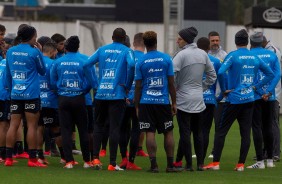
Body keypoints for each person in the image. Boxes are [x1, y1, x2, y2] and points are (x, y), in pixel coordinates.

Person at [204, 29, 274, 171]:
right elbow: (270, 74)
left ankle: (215, 163)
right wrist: (256, 87)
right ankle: (240, 164)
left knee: (221, 131)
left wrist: (224, 90)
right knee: (245, 133)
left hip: (234, 99)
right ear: (247, 42)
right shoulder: (254, 57)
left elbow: (221, 72)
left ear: (236, 42)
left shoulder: (233, 55)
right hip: (249, 99)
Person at [84, 28, 135, 171]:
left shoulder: (101, 49)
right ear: (124, 38)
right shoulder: (127, 51)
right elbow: (131, 65)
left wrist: (95, 84)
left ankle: (95, 159)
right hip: (117, 94)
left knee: (98, 126)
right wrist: (128, 85)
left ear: (112, 37)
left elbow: (86, 64)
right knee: (114, 128)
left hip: (101, 94)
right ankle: (112, 163)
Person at [134, 31, 180, 173]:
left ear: (145, 43)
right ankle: (170, 165)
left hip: (146, 102)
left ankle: (154, 166)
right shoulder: (166, 59)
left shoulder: (140, 61)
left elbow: (138, 86)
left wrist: (137, 105)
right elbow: (171, 83)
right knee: (168, 132)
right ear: (156, 42)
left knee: (149, 132)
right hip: (162, 101)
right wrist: (174, 103)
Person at [173, 27, 216, 171]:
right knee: (198, 132)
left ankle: (189, 165)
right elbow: (212, 76)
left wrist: (174, 90)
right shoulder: (203, 54)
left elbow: (171, 77)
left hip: (183, 98)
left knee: (185, 132)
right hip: (198, 98)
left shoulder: (181, 55)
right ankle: (200, 164)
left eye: (179, 38)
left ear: (185, 40)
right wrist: (201, 87)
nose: (177, 40)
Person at [5, 25, 46, 167]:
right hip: (31, 94)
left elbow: (8, 75)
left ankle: (8, 158)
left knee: (13, 125)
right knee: (32, 126)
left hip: (15, 93)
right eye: (35, 36)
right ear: (31, 37)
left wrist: (12, 91)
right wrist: (40, 53)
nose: (36, 38)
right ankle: (33, 160)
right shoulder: (34, 52)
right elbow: (42, 71)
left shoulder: (10, 51)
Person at [246, 32, 280, 169]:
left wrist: (259, 91)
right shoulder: (272, 55)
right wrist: (269, 91)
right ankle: (270, 160)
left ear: (251, 43)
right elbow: (278, 74)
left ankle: (260, 161)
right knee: (268, 126)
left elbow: (249, 76)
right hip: (270, 96)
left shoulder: (249, 56)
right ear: (262, 42)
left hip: (254, 95)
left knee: (256, 127)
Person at [119, 33, 144, 170]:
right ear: (145, 44)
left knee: (123, 129)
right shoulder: (146, 58)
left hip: (124, 97)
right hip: (139, 100)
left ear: (133, 43)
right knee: (136, 129)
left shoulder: (126, 56)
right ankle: (131, 161)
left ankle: (123, 158)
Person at [207, 31, 228, 159]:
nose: (215, 43)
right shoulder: (205, 55)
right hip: (206, 96)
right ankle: (201, 149)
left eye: (217, 40)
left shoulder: (224, 55)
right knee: (203, 125)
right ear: (209, 41)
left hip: (220, 98)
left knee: (218, 126)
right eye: (213, 41)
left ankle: (215, 151)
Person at [262, 36, 281, 162]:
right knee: (266, 123)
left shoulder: (272, 52)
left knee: (272, 123)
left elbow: (274, 73)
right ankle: (266, 151)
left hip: (273, 93)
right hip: (269, 92)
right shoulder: (271, 50)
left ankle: (274, 152)